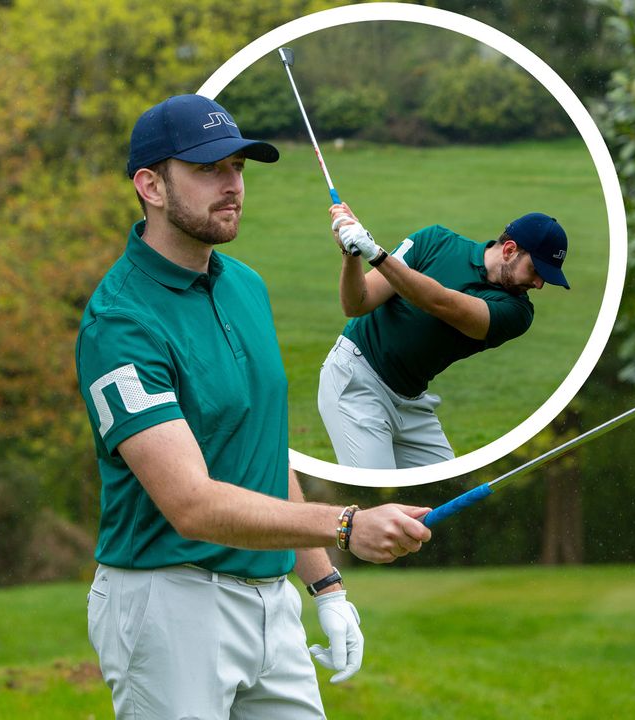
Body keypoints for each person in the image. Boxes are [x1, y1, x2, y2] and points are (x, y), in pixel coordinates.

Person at [75, 94, 434, 719]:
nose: (232, 185)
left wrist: (324, 583)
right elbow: (190, 504)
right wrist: (347, 525)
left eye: (238, 168)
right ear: (150, 185)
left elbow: (262, 453)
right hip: (167, 603)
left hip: (273, 603)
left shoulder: (246, 286)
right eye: (209, 169)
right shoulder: (120, 324)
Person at [319, 203, 570, 469]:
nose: (539, 284)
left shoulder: (518, 312)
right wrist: (352, 252)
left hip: (411, 403)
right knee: (376, 490)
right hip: (357, 379)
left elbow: (443, 304)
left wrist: (377, 255)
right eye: (536, 271)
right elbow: (356, 304)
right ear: (509, 250)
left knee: (446, 489)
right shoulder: (434, 241)